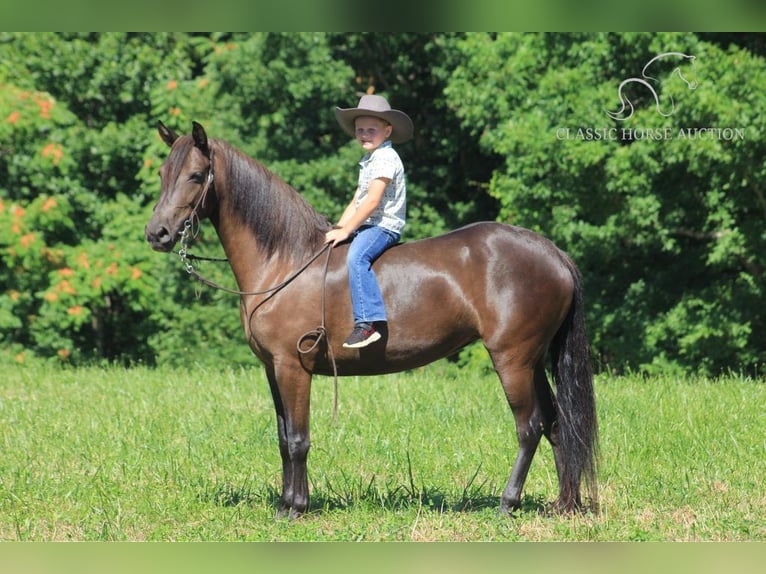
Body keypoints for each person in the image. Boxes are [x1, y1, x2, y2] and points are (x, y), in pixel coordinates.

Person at [325, 94, 414, 349]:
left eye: (371, 130)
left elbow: (372, 201)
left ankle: (368, 322)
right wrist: (338, 228)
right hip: (366, 224)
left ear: (387, 131)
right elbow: (357, 199)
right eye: (360, 130)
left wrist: (348, 231)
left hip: (383, 226)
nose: (364, 134)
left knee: (356, 257)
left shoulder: (386, 158)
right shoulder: (370, 159)